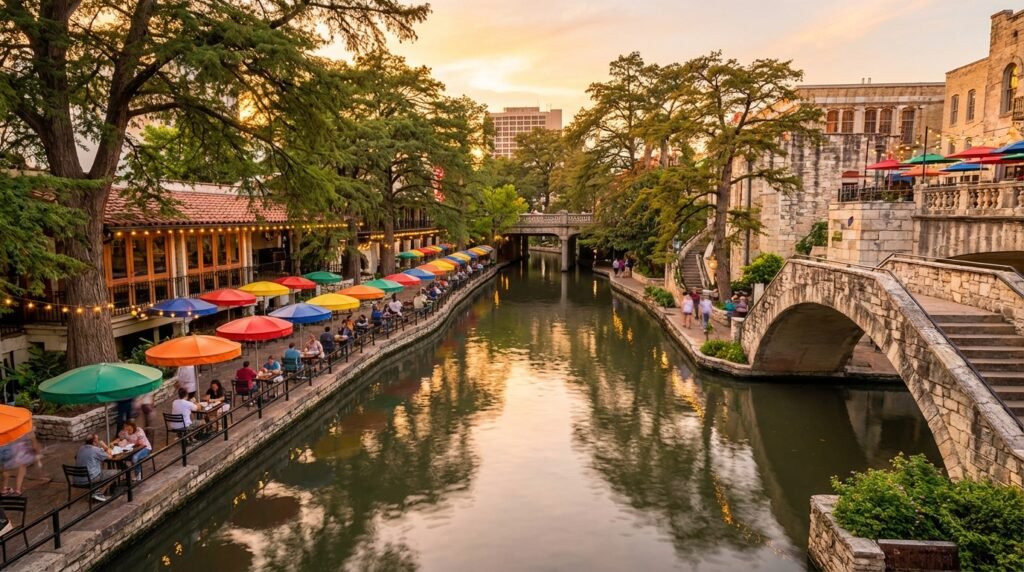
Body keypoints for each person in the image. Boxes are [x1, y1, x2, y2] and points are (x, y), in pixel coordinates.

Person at [75, 434, 117, 502]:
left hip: (77, 479)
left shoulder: (81, 448)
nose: (99, 441)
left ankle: (96, 490)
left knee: (101, 471)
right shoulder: (95, 450)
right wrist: (105, 447)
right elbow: (110, 456)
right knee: (116, 473)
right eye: (97, 439)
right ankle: (99, 493)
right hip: (90, 478)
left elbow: (76, 457)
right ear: (94, 442)